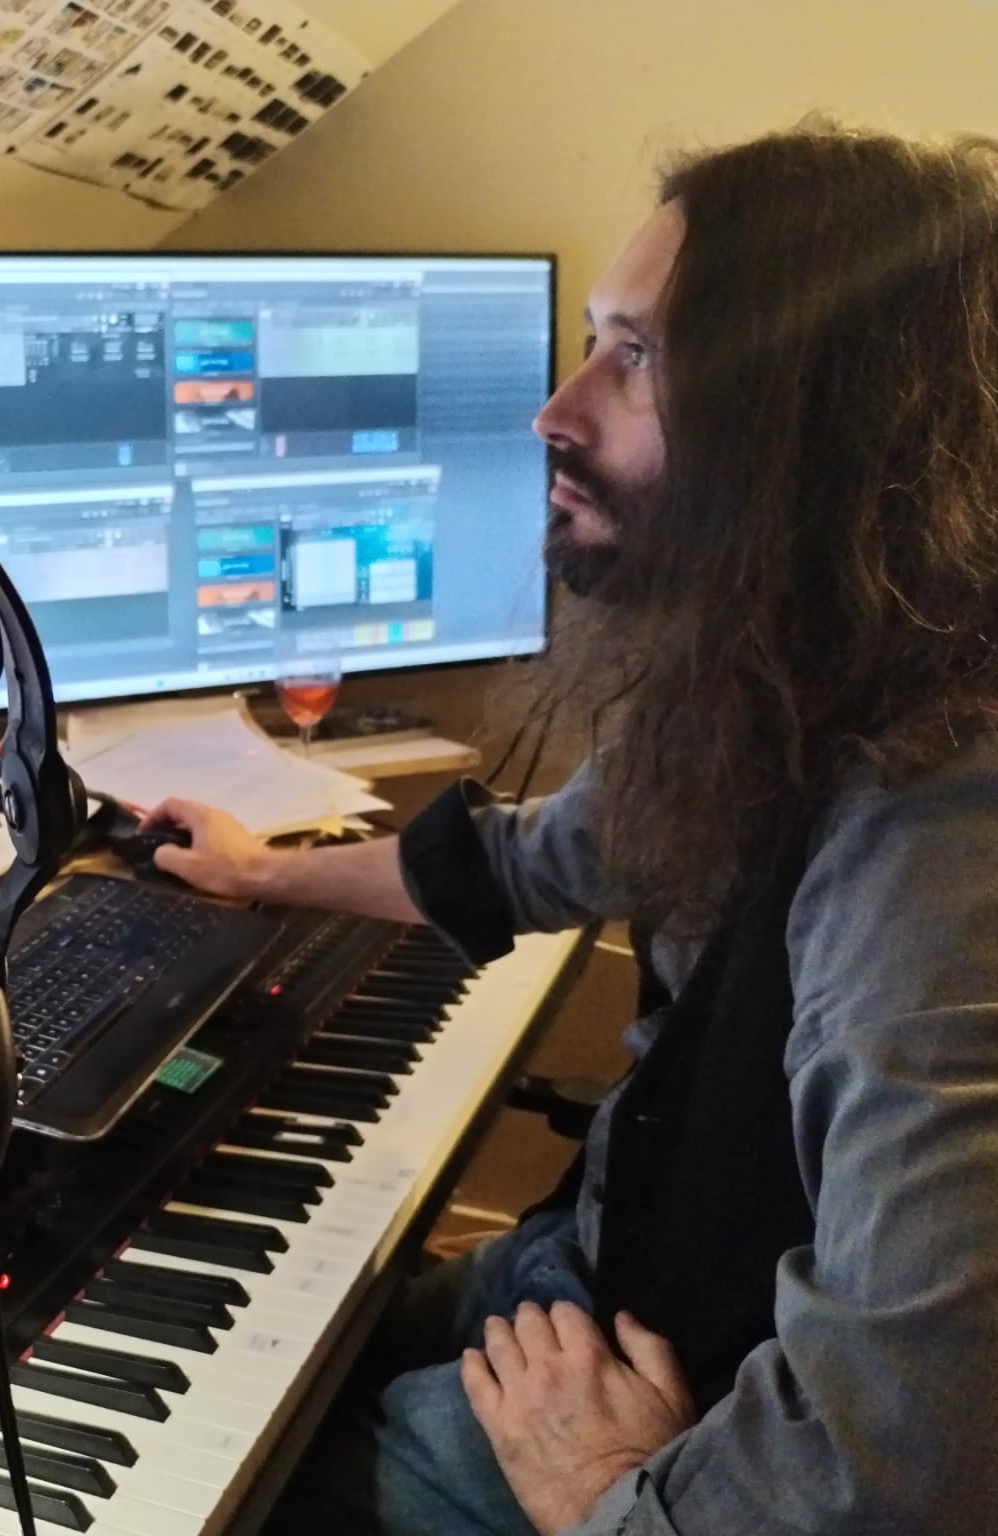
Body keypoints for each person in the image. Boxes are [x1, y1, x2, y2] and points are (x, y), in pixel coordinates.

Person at [145, 123, 998, 1536]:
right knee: (271, 1339)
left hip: (701, 1428)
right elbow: (541, 858)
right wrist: (259, 870)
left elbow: (917, 1452)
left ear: (811, 424)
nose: (557, 409)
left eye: (636, 358)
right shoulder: (797, 666)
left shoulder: (940, 818)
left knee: (225, 1486)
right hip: (591, 1272)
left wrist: (607, 1494)